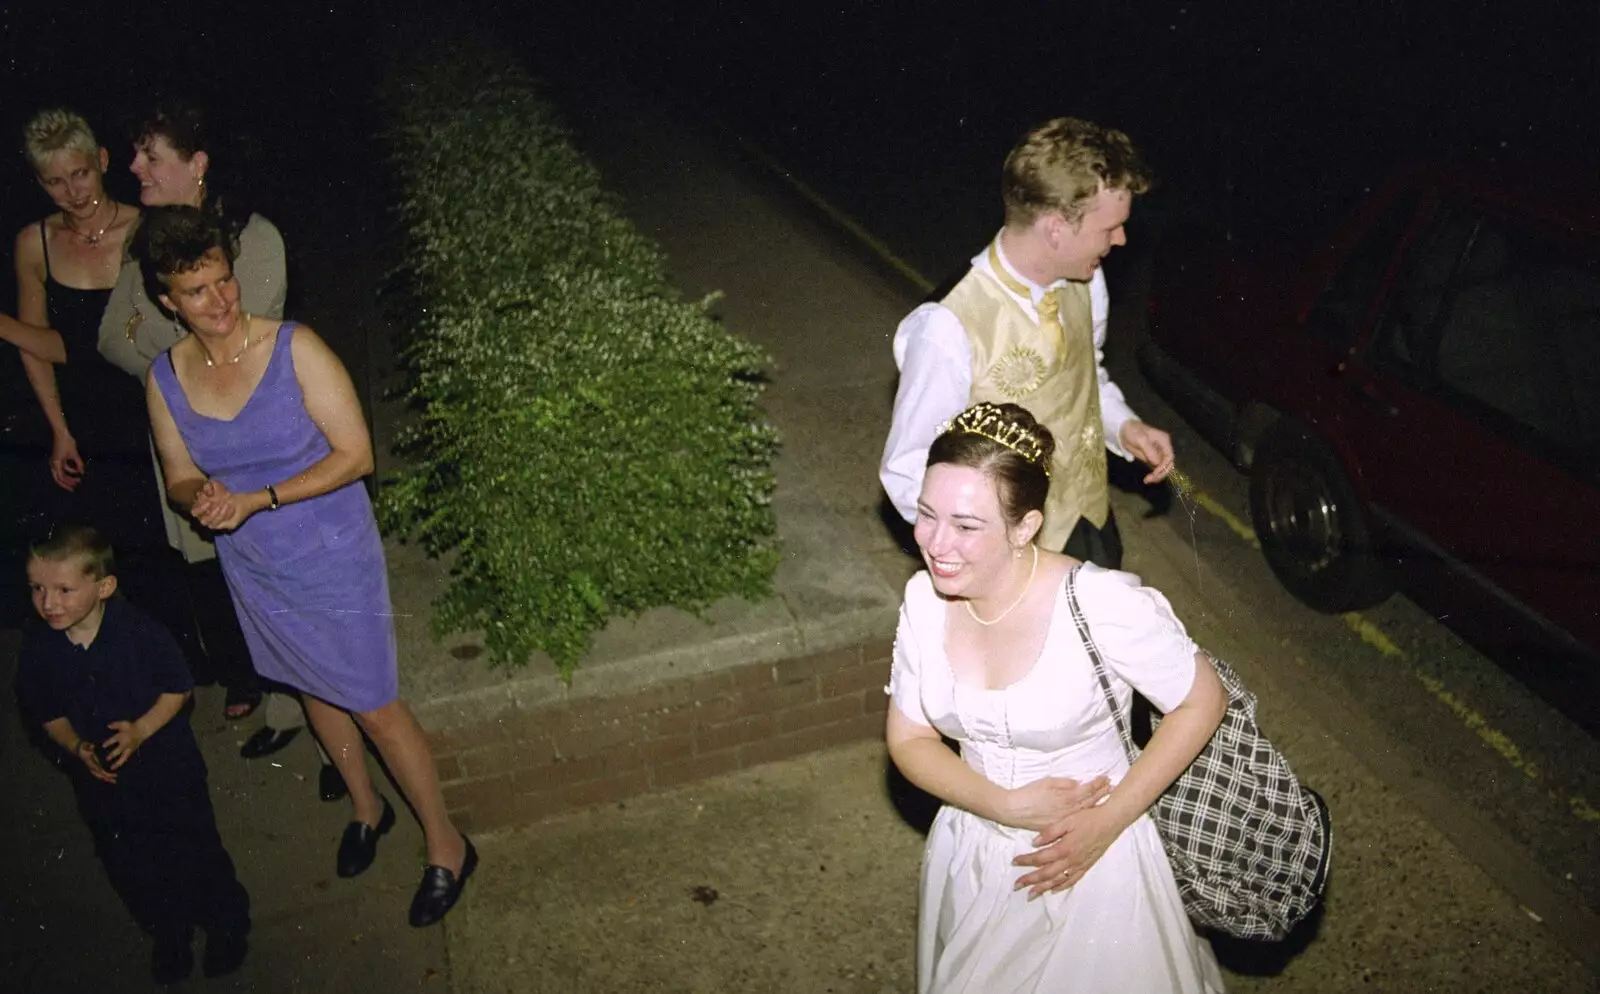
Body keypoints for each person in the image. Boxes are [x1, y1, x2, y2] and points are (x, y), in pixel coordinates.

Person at [139, 205, 477, 927]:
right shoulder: (164, 378)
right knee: (310, 689)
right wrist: (203, 495)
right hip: (254, 566)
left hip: (330, 551)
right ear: (168, 300)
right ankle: (367, 807)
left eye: (225, 280)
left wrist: (259, 497)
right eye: (198, 291)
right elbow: (175, 473)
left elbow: (356, 456)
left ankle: (448, 844)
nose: (222, 300)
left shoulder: (295, 348)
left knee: (374, 703)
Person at [885, 401, 1227, 992]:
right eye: (926, 514)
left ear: (1025, 527)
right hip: (972, 853)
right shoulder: (923, 600)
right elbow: (910, 738)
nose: (936, 543)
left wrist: (1111, 820)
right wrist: (1002, 804)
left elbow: (1203, 701)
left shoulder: (1101, 605)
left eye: (967, 526)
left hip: (1097, 864)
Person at [94, 100, 328, 777]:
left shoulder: (254, 239)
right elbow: (113, 337)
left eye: (150, 156)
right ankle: (289, 713)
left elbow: (240, 351)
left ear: (196, 166)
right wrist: (179, 358)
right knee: (239, 593)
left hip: (257, 457)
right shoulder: (147, 240)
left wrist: (166, 346)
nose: (133, 167)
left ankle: (334, 742)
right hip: (188, 456)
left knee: (290, 597)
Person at [880, 118, 1176, 570]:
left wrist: (1124, 428)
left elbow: (1084, 373)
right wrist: (980, 560)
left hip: (1089, 521)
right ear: (1056, 229)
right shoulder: (947, 326)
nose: (1121, 239)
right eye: (1110, 227)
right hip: (1012, 561)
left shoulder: (1087, 280)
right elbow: (907, 471)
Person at [16, 525, 250, 983]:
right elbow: (44, 711)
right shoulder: (40, 648)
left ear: (104, 587)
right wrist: (75, 747)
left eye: (64, 590)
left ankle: (225, 924)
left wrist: (141, 730)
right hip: (103, 785)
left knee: (195, 849)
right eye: (37, 589)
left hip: (168, 770)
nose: (49, 603)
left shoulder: (138, 630)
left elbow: (179, 687)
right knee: (130, 864)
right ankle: (169, 933)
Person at [3, 109, 157, 550]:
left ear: (103, 161)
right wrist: (60, 430)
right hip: (84, 421)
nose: (72, 193)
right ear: (39, 183)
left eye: (80, 174)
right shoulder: (35, 243)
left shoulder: (146, 229)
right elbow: (37, 346)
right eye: (54, 182)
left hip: (151, 408)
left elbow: (97, 345)